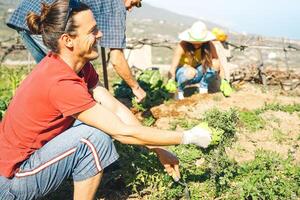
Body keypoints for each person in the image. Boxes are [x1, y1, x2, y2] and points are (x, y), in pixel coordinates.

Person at [0, 1, 212, 199]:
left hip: (25, 166)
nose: (100, 34)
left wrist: (159, 150)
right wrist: (188, 137)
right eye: (92, 31)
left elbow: (115, 109)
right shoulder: (60, 82)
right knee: (93, 138)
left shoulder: (79, 67)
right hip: (11, 182)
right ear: (67, 40)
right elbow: (122, 132)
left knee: (96, 124)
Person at [7, 0, 146, 102]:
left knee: (49, 75)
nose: (131, 8)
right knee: (73, 78)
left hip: (26, 14)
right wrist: (136, 88)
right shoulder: (117, 5)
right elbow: (117, 59)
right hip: (47, 19)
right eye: (135, 3)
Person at [168, 21, 232, 100]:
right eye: (194, 42)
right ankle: (179, 92)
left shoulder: (209, 45)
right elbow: (173, 67)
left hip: (198, 71)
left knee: (215, 64)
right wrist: (171, 80)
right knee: (190, 72)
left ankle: (203, 89)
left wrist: (224, 81)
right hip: (183, 74)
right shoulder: (182, 45)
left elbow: (218, 63)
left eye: (199, 42)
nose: (196, 44)